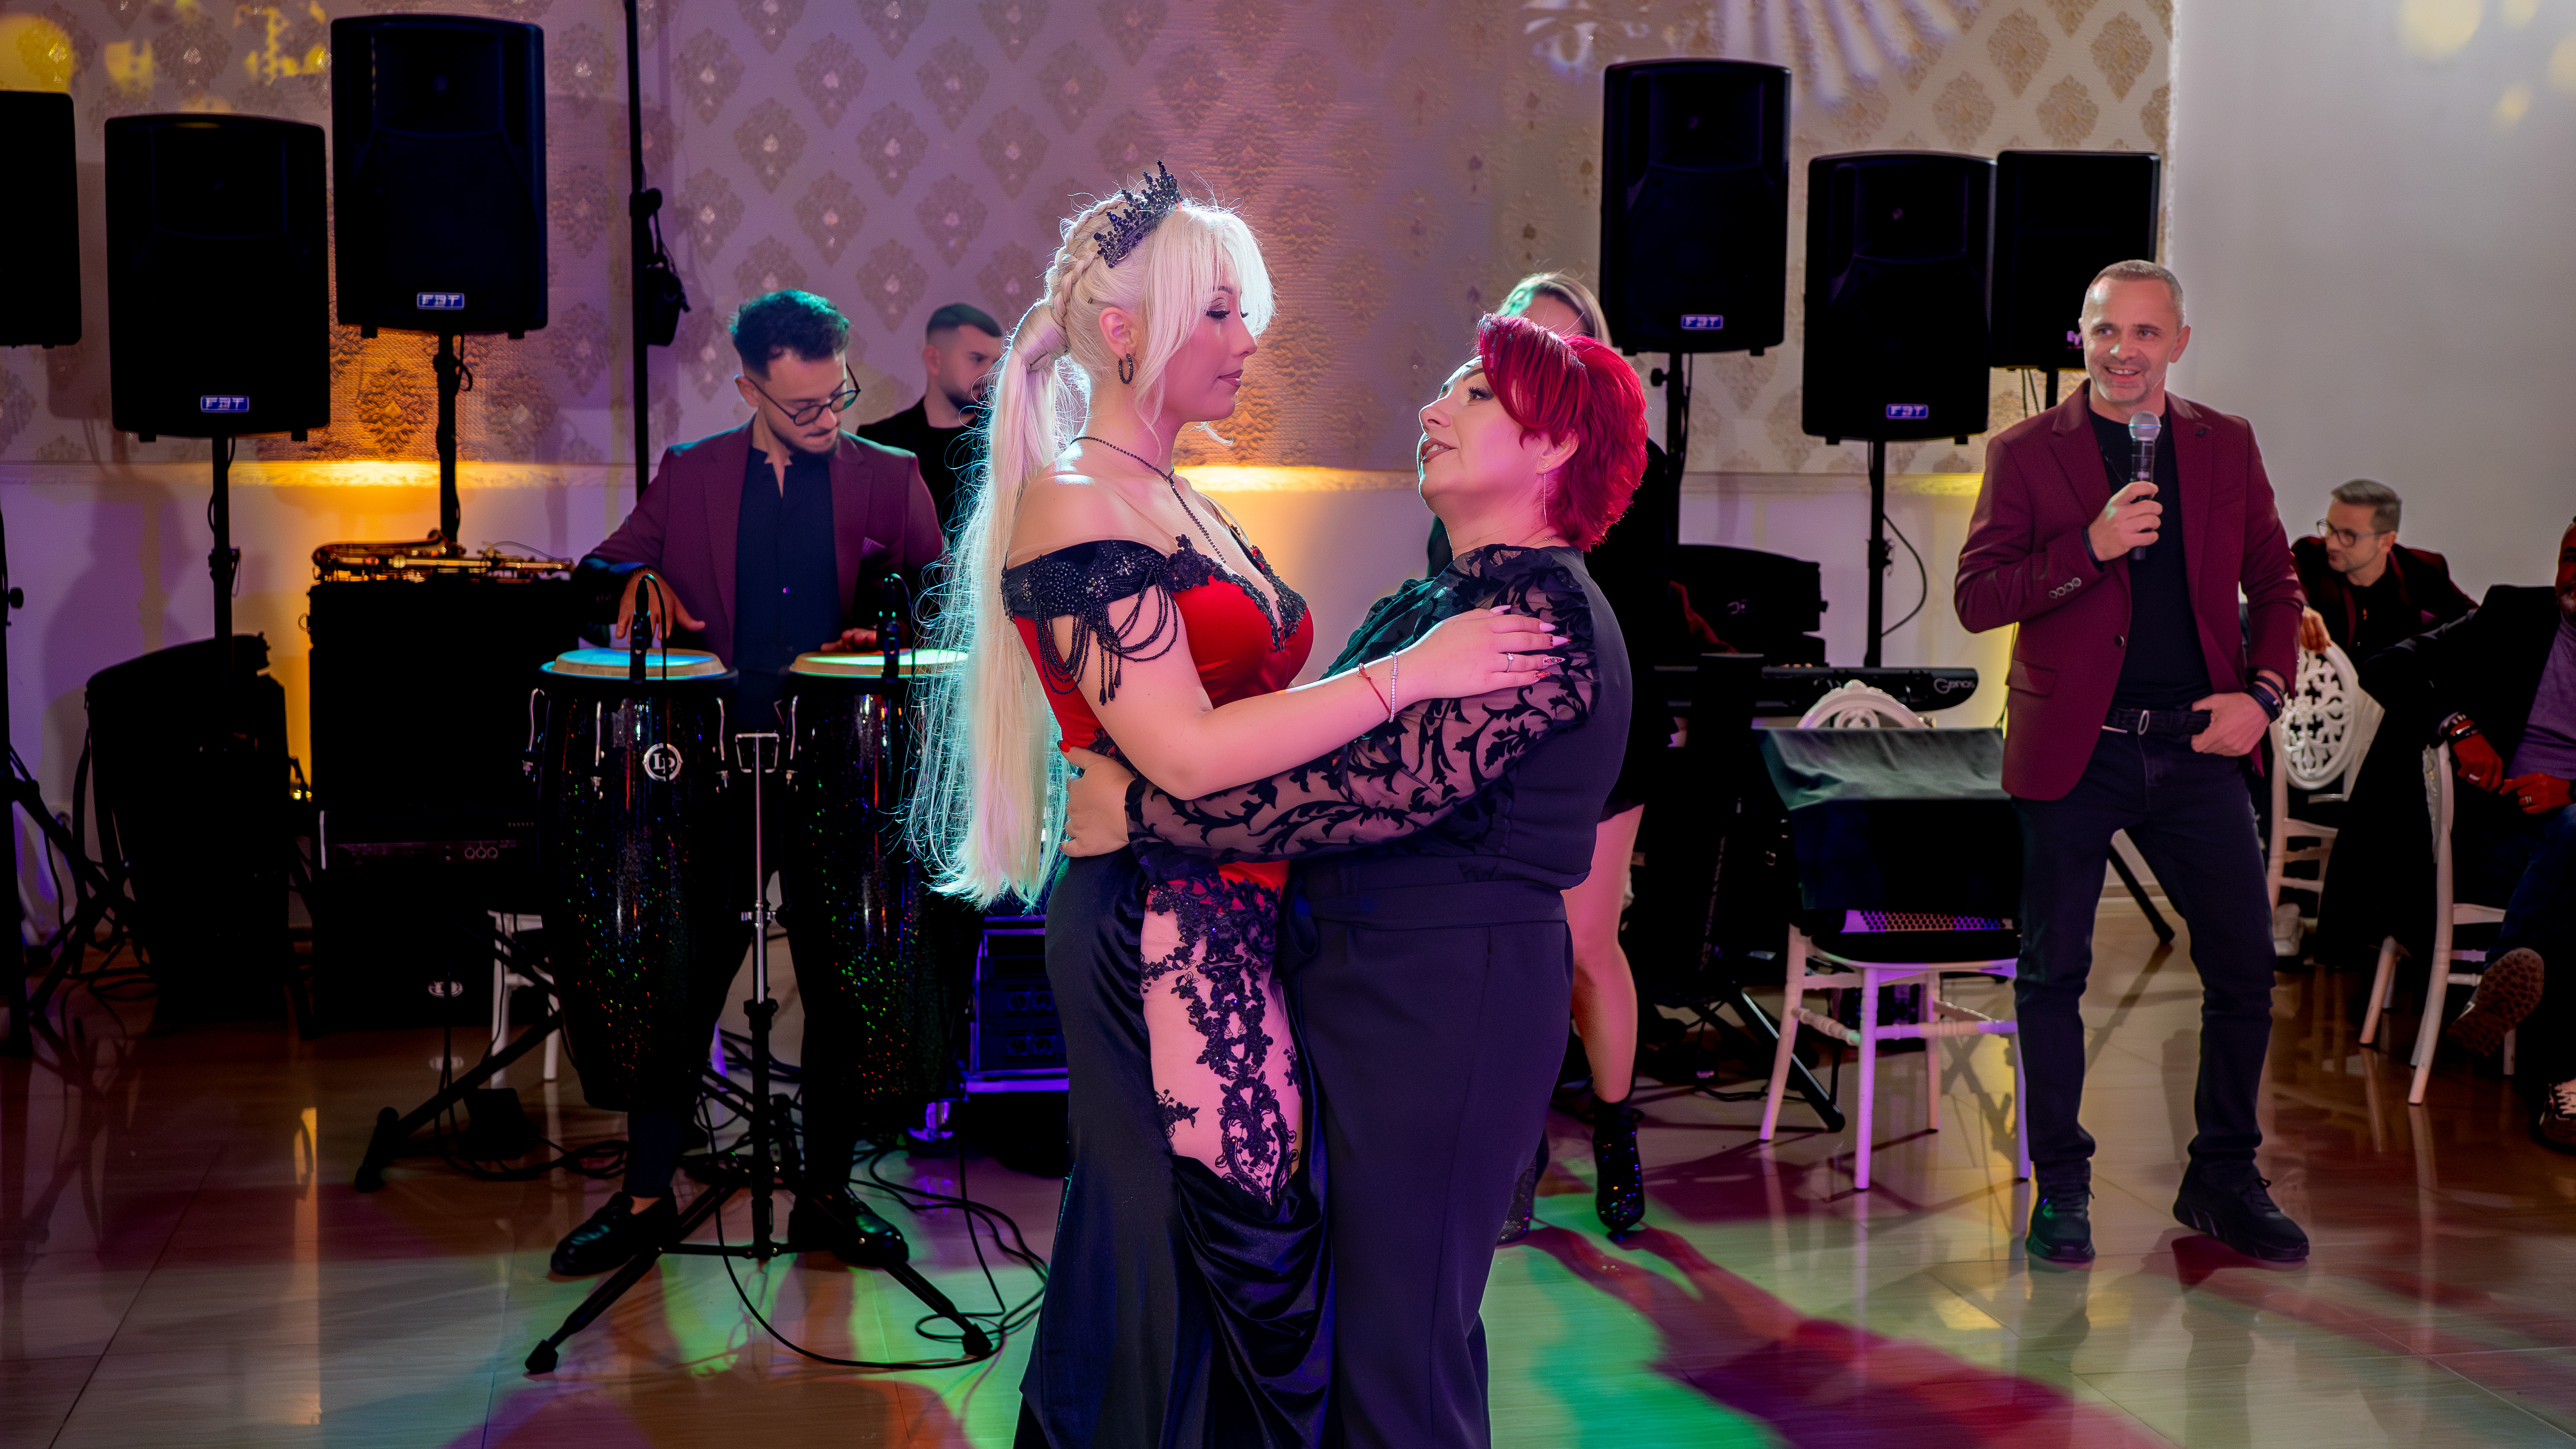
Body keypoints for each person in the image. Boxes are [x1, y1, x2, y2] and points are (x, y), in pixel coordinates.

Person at [909, 167, 1561, 1449]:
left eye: (1241, 311)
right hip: (1158, 916)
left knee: (1232, 1250)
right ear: (1124, 331)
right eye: (1216, 313)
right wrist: (1412, 676)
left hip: (1224, 902)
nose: (1247, 339)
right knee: (1199, 1259)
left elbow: (1239, 724)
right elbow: (1195, 754)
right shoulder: (1078, 502)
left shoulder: (1175, 496)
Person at [1062, 312, 1647, 1447]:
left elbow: (1375, 792)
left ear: (1556, 445)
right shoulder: (1445, 597)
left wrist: (1143, 810)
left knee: (1399, 1348)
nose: (1432, 409)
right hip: (1367, 982)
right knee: (1353, 1328)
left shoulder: (1547, 614)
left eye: (1474, 396)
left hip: (1448, 1002)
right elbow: (1316, 757)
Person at [553, 290, 945, 1276]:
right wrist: (629, 584)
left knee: (841, 978)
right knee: (677, 978)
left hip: (841, 774)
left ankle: (826, 1195)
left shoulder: (890, 476)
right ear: (748, 390)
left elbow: (943, 602)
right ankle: (645, 1197)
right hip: (708, 771)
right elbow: (597, 569)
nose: (828, 418)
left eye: (838, 396)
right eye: (804, 405)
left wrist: (889, 623)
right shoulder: (691, 473)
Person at [1954, 259, 2310, 1266]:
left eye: (2145, 333)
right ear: (2082, 337)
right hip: (2079, 750)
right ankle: (2061, 1185)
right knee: (2051, 973)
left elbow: (2276, 586)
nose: (2123, 351)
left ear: (2178, 343)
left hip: (2196, 747)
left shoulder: (2224, 443)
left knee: (2242, 965)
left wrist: (2262, 697)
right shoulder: (2025, 451)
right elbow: (1978, 597)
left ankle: (2222, 1176)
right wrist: (2091, 545)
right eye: (2106, 330)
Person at [1428, 271, 1677, 1238]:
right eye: (1516, 345)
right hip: (1494, 721)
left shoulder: (1633, 469)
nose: (1534, 363)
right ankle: (1514, 1148)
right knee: (1506, 950)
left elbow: (1633, 607)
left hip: (1595, 729)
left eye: (1560, 345)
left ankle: (1615, 1132)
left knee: (1578, 944)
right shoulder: (1464, 465)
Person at [2358, 518, 2576, 1147]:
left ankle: (2500, 976)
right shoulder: (2515, 615)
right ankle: (2566, 1085)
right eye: (2570, 556)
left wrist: (2570, 791)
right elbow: (2387, 665)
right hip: (2499, 842)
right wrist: (2457, 725)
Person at [858, 301, 1004, 533]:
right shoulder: (880, 443)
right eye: (977, 359)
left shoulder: (1005, 439)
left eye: (996, 363)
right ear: (935, 360)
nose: (991, 374)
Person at [2292, 478, 2475, 662]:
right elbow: (2286, 585)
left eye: (2348, 536)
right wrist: (2299, 607)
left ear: (2386, 542)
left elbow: (2476, 621)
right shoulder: (2309, 553)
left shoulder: (2422, 569)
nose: (2331, 544)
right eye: (2330, 529)